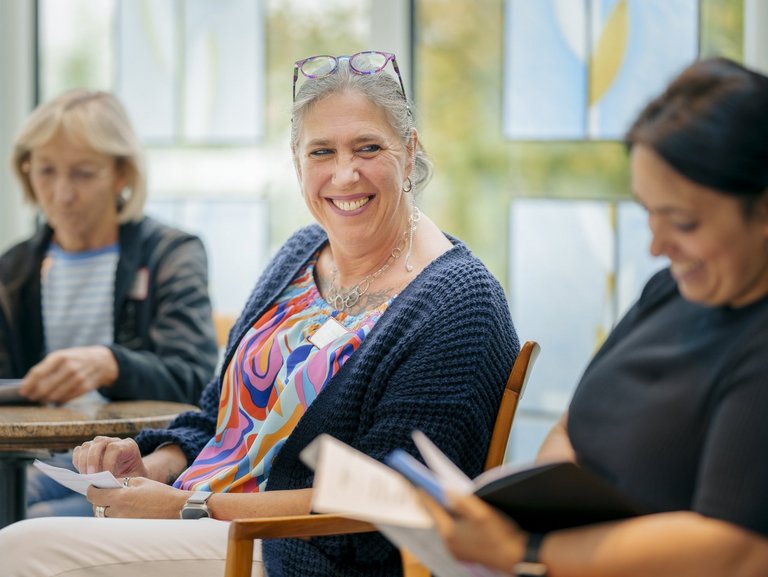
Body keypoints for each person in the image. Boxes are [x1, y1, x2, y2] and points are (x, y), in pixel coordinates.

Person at [0, 51, 519, 577]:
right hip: (202, 518)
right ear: (298, 163)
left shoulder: (460, 303)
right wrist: (150, 468)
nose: (344, 173)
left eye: (368, 147)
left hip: (298, 552)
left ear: (409, 152)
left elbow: (394, 500)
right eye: (321, 151)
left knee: (21, 548)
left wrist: (186, 507)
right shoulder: (300, 256)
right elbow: (216, 420)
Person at [421, 57, 768, 577]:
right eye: (647, 212)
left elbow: (735, 550)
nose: (655, 245)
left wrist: (525, 552)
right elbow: (575, 425)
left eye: (682, 221)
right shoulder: (671, 291)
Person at [0, 89, 218, 518]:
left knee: (30, 521)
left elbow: (194, 381)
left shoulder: (170, 255)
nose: (61, 194)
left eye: (83, 173)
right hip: (34, 459)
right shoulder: (14, 270)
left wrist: (111, 364)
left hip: (137, 463)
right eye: (46, 171)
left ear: (122, 174)